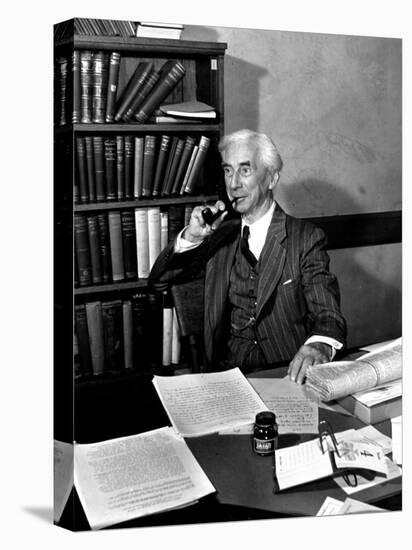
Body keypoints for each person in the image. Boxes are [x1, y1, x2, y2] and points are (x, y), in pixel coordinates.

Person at [149, 129, 346, 383]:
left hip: (285, 376)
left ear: (272, 178)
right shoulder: (217, 237)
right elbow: (158, 283)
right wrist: (194, 237)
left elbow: (329, 315)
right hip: (226, 376)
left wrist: (318, 346)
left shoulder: (305, 238)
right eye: (228, 170)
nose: (233, 184)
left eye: (245, 170)